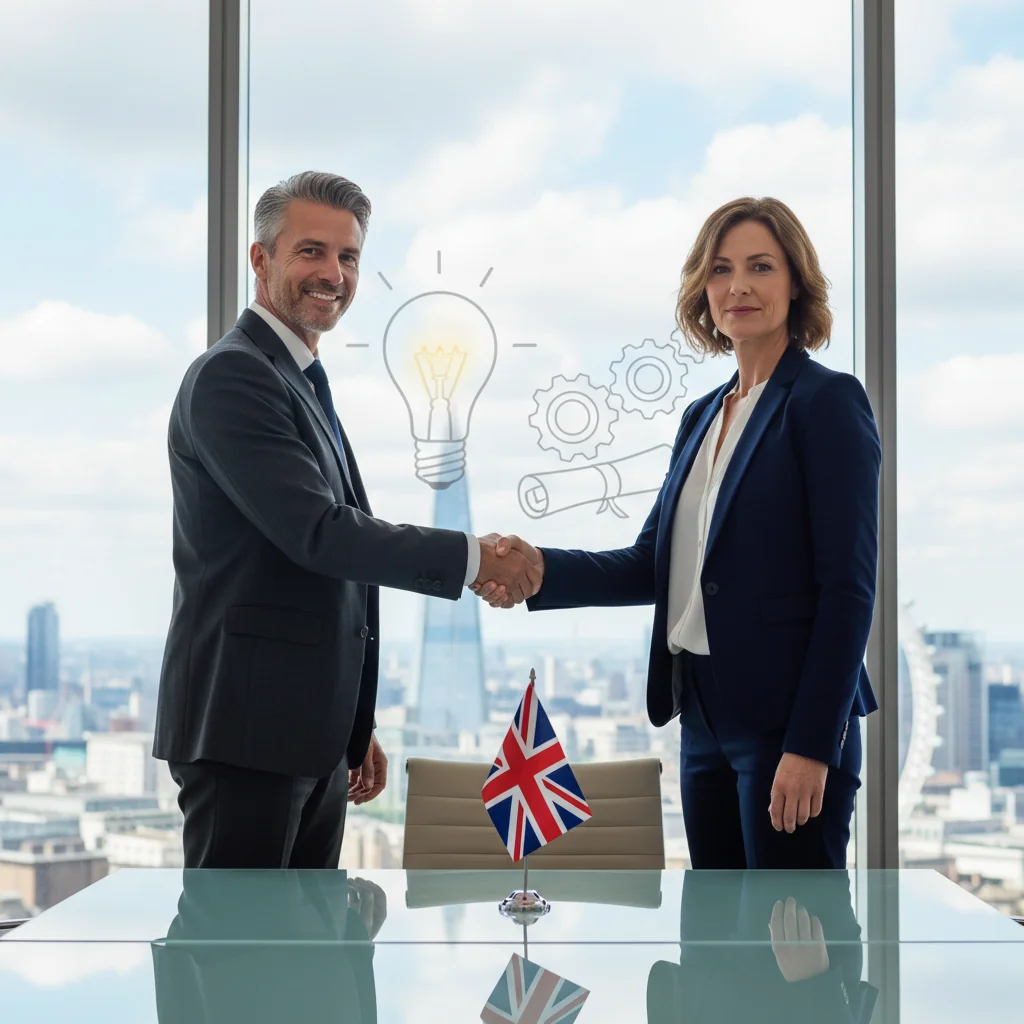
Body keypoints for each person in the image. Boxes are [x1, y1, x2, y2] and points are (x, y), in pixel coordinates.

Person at [475, 196, 880, 869]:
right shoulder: (701, 417)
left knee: (791, 950)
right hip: (702, 718)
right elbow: (650, 564)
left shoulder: (825, 403)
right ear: (703, 290)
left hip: (790, 723)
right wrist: (539, 568)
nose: (739, 286)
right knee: (716, 944)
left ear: (796, 284)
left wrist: (812, 744)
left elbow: (849, 589)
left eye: (761, 267)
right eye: (721, 270)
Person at [154, 171, 540, 869]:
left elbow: (328, 579)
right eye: (311, 252)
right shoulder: (233, 377)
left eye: (349, 257)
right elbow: (321, 536)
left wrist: (350, 723)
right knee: (235, 961)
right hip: (245, 735)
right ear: (260, 259)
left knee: (305, 959)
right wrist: (479, 559)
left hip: (306, 738)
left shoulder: (296, 379)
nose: (333, 273)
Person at [646, 870, 876, 1024]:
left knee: (711, 804)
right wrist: (817, 986)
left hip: (704, 976)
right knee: (782, 810)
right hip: (790, 971)